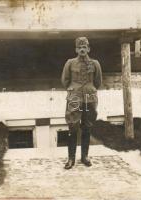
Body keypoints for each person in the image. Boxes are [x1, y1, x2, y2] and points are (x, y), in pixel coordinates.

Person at [61, 37, 102, 169]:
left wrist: (89, 89)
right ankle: (71, 159)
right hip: (74, 98)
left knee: (87, 126)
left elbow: (98, 82)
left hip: (90, 97)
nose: (82, 49)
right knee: (73, 127)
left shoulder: (95, 64)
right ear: (76, 49)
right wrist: (75, 89)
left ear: (88, 49)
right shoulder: (70, 63)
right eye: (79, 47)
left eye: (84, 47)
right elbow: (65, 81)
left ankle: (84, 157)